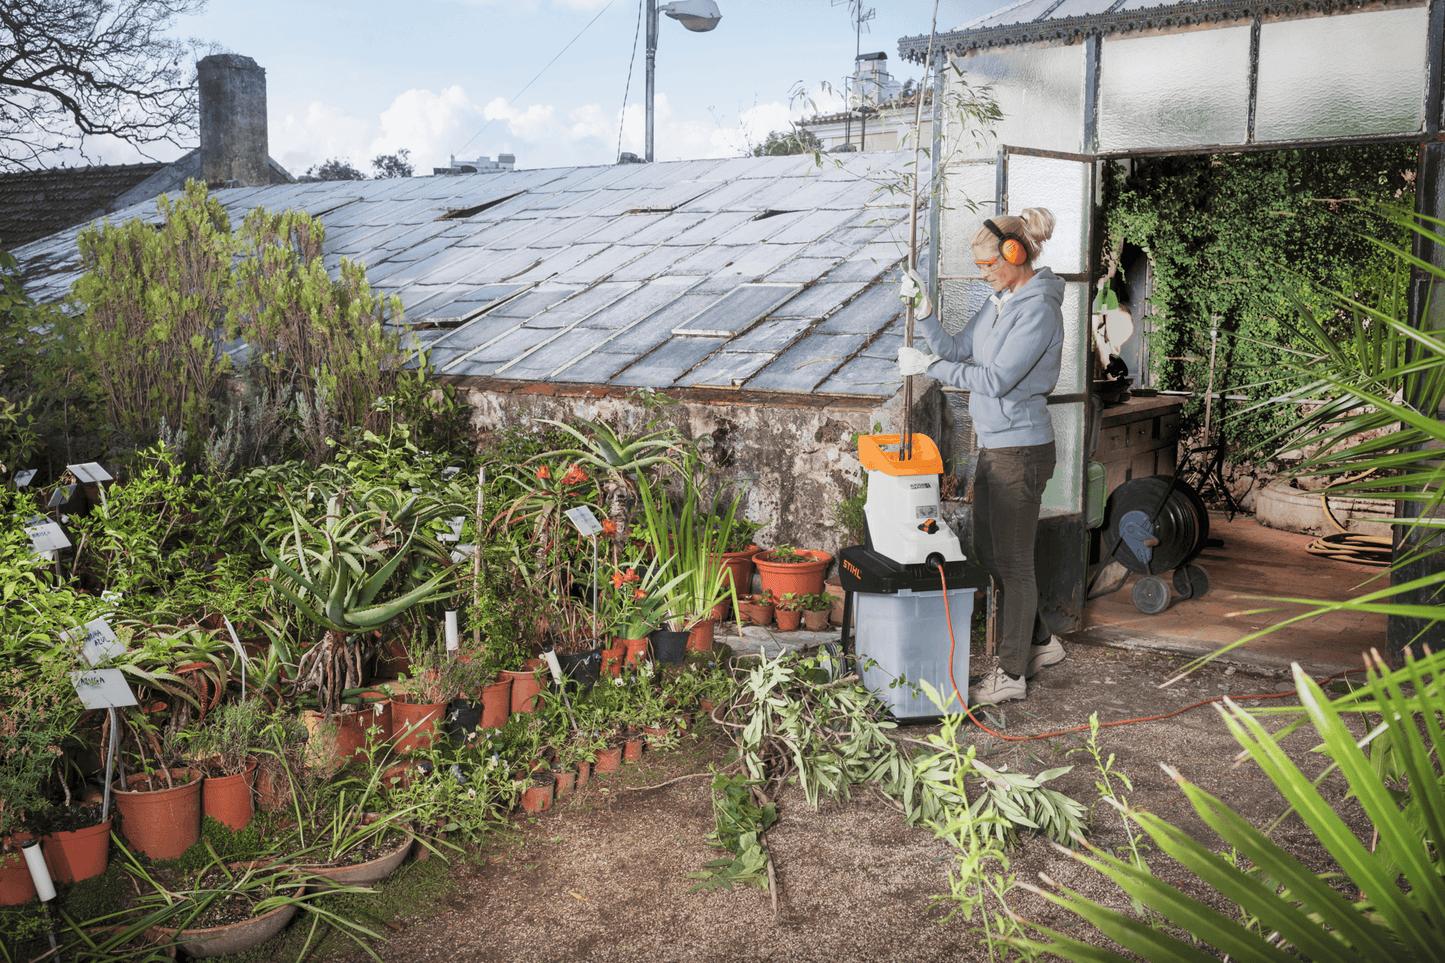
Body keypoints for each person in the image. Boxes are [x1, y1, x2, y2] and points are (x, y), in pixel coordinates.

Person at [898, 208, 1067, 705]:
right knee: (992, 554)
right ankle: (1042, 643)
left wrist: (931, 367)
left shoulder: (1038, 310)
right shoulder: (1001, 303)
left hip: (1022, 449)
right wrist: (926, 315)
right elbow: (956, 349)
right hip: (997, 445)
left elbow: (995, 380)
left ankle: (1012, 673)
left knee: (1014, 563)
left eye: (989, 263)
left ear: (1016, 253)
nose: (983, 273)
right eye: (978, 265)